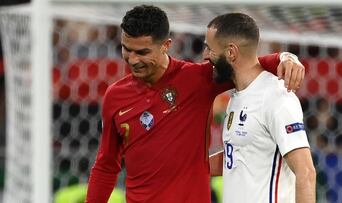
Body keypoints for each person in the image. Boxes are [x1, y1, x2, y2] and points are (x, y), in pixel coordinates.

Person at [85, 5, 306, 203]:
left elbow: (247, 64)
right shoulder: (115, 97)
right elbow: (106, 165)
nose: (133, 60)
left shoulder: (197, 79)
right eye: (126, 49)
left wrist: (285, 58)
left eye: (142, 52)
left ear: (166, 45)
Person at [206, 13, 316, 203]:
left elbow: (305, 172)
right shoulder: (237, 96)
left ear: (231, 52)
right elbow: (241, 157)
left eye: (210, 49)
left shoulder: (276, 97)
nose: (205, 56)